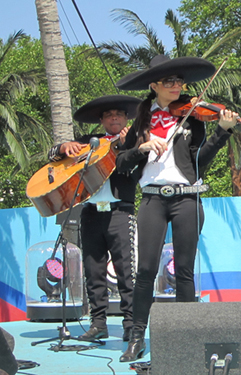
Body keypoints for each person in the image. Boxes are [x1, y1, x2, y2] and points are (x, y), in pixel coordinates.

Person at [114, 55, 239, 362]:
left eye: (179, 81)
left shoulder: (193, 117)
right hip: (152, 199)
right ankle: (136, 337)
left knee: (184, 272)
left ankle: (188, 337)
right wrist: (140, 148)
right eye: (169, 82)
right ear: (154, 85)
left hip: (186, 197)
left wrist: (223, 130)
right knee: (145, 271)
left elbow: (201, 162)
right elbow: (120, 164)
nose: (176, 86)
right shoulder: (142, 121)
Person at [48, 95, 142, 342]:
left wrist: (126, 146)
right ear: (101, 120)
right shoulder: (87, 143)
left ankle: (131, 325)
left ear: (125, 118)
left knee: (126, 272)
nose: (114, 118)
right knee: (93, 270)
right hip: (89, 213)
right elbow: (51, 156)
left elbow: (135, 166)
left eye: (119, 114)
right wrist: (62, 148)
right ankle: (98, 324)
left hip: (120, 212)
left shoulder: (134, 141)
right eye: (109, 115)